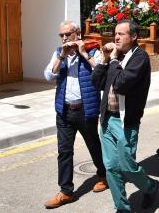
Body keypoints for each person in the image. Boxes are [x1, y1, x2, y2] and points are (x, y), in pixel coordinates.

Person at [91, 20, 159, 213]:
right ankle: (122, 208)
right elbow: (96, 82)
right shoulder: (114, 57)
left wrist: (113, 61)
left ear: (134, 36)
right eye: (115, 34)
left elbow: (121, 84)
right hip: (106, 119)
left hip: (125, 121)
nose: (116, 37)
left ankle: (150, 187)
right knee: (111, 167)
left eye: (121, 34)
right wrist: (104, 60)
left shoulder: (140, 58)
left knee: (127, 166)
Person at [43, 20, 107, 209]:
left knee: (93, 145)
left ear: (77, 33)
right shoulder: (58, 53)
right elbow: (48, 76)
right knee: (64, 152)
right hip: (64, 111)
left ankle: (103, 176)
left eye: (68, 34)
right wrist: (61, 57)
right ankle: (66, 192)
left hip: (86, 110)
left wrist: (84, 53)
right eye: (61, 35)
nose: (64, 38)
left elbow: (101, 71)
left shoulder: (92, 50)